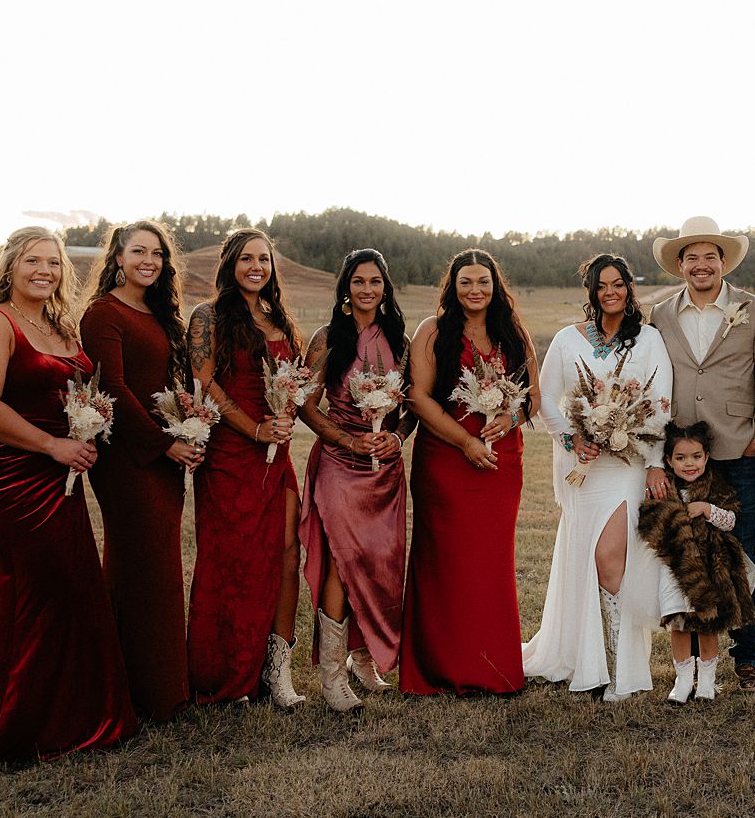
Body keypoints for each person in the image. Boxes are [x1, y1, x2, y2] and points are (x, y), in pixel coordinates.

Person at [0, 227, 137, 763]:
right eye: (34, 261)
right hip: (4, 472)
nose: (46, 271)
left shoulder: (59, 325)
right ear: (10, 266)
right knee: (49, 587)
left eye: (55, 263)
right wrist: (53, 446)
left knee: (55, 588)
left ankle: (64, 716)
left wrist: (86, 432)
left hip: (57, 472)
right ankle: (11, 726)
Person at [525, 253, 674, 700]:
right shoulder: (569, 341)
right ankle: (587, 659)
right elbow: (546, 397)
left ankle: (619, 668)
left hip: (628, 467)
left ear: (630, 289)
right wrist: (573, 439)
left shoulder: (647, 339)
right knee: (585, 555)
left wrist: (654, 461)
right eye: (602, 286)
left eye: (619, 284)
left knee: (612, 560)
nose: (611, 292)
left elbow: (661, 401)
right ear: (591, 292)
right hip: (582, 468)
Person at [79, 220, 203, 723]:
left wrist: (187, 419)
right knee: (138, 567)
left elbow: (162, 382)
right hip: (128, 458)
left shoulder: (157, 312)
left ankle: (163, 688)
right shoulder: (102, 313)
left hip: (164, 454)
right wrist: (164, 444)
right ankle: (133, 694)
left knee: (160, 569)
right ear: (117, 256)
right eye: (138, 252)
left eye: (156, 254)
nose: (148, 261)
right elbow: (113, 390)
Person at [400, 249, 539, 694]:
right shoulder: (433, 331)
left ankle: (491, 666)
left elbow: (534, 395)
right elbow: (418, 397)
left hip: (501, 463)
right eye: (466, 283)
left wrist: (512, 419)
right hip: (446, 459)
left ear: (495, 286)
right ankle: (437, 667)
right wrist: (465, 442)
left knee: (490, 564)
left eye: (483, 282)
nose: (475, 290)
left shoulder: (513, 332)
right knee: (445, 561)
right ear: (453, 287)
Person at [647, 216, 755, 693]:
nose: (701, 265)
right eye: (692, 257)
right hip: (682, 455)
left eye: (710, 257)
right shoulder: (660, 314)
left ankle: (748, 657)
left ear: (724, 262)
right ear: (680, 265)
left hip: (738, 445)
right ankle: (692, 659)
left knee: (740, 547)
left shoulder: (754, 310)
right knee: (685, 549)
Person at [185, 228, 308, 707]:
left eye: (265, 259)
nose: (257, 267)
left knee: (285, 550)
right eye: (246, 258)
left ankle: (276, 670)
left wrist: (284, 417)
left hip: (275, 453)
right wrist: (253, 430)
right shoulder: (209, 315)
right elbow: (205, 380)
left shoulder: (278, 317)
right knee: (232, 558)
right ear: (229, 263)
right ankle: (228, 674)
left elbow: (290, 381)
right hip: (231, 453)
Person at [299, 248, 413, 710]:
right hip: (339, 464)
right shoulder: (328, 338)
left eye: (375, 282)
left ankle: (363, 661)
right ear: (345, 287)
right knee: (343, 563)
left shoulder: (400, 340)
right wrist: (347, 442)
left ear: (386, 289)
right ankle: (331, 674)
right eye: (358, 281)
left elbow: (411, 410)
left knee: (381, 562)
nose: (367, 289)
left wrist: (397, 437)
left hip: (385, 468)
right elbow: (305, 405)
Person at [638, 421, 755, 703]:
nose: (689, 464)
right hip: (675, 568)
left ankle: (707, 680)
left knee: (707, 623)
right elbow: (650, 526)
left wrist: (707, 510)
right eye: (680, 458)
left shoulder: (715, 487)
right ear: (668, 460)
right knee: (678, 623)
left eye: (696, 457)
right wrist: (674, 519)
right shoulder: (663, 490)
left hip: (709, 567)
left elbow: (731, 521)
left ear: (706, 457)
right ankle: (682, 681)